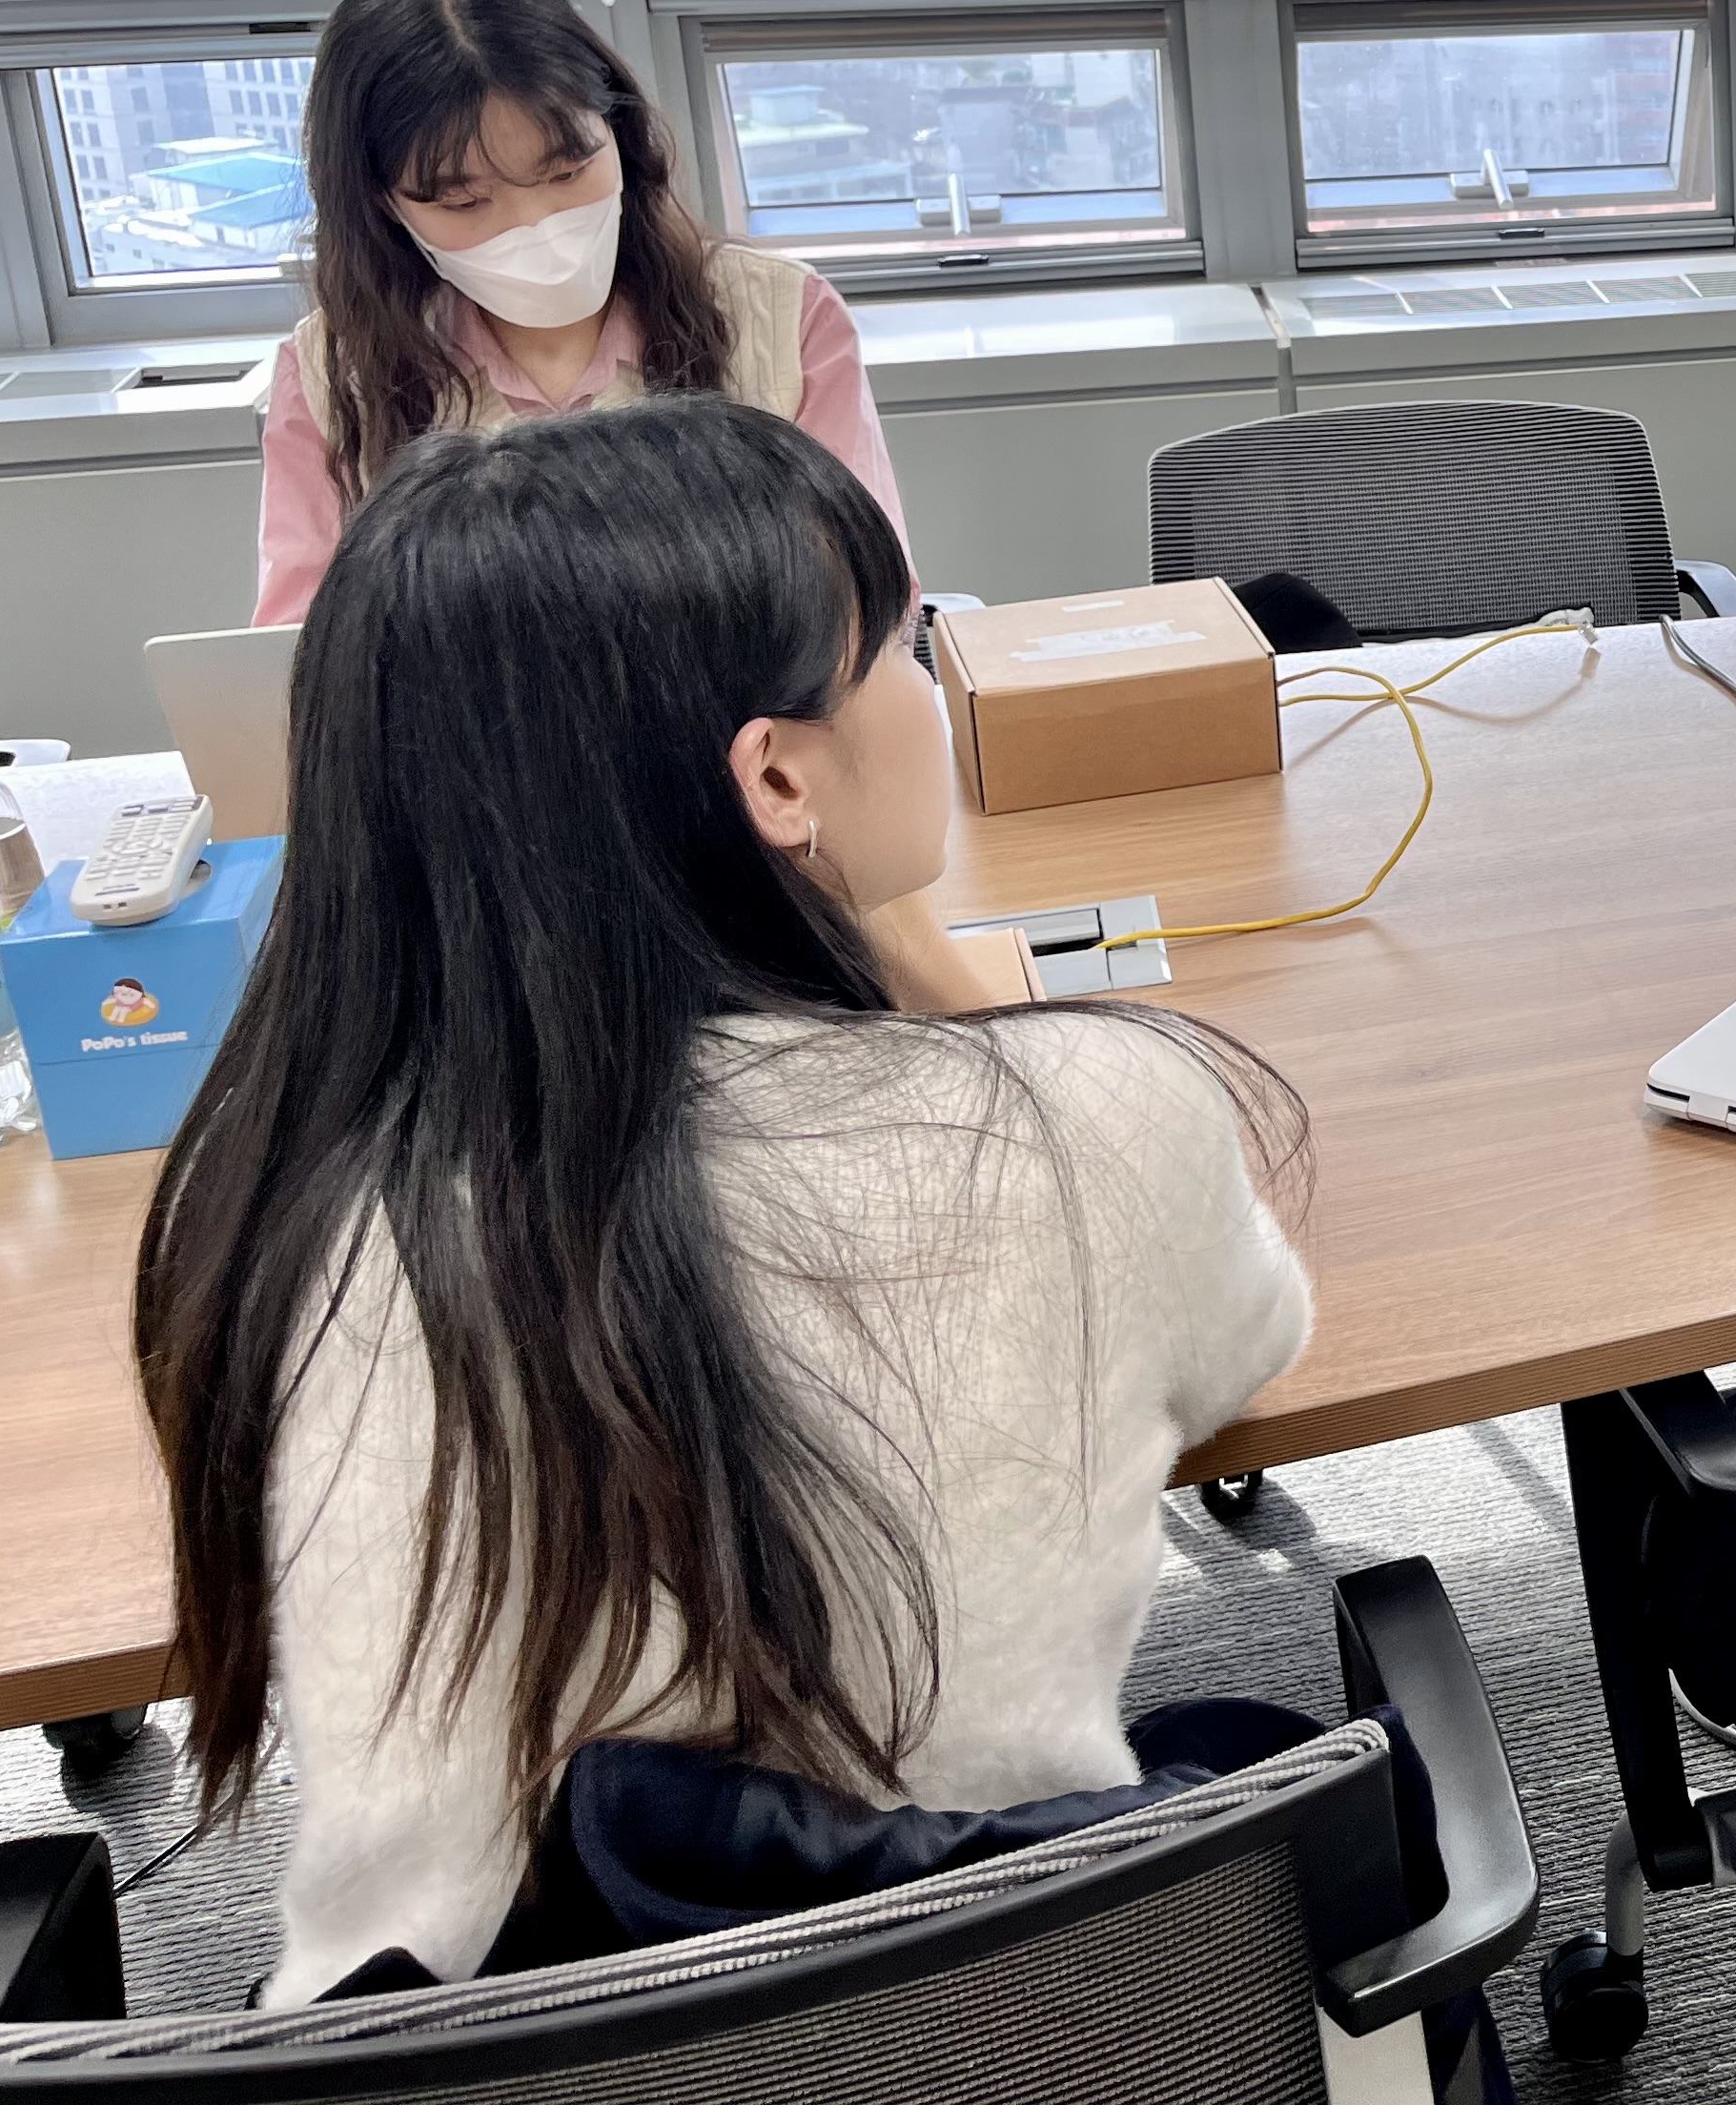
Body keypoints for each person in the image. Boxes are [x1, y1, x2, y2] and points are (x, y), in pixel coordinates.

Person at [135, 399, 1313, 2004]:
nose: (928, 687)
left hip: (453, 2054)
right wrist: (911, 950)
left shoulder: (280, 1216)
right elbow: (1246, 1342)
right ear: (774, 773)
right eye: (901, 649)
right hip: (1025, 2014)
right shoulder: (1092, 1118)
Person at [250, 0, 906, 625]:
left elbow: (869, 607)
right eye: (465, 202)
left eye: (567, 173)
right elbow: (300, 650)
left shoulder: (781, 319)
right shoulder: (335, 376)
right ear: (384, 206)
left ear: (619, 134)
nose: (536, 227)